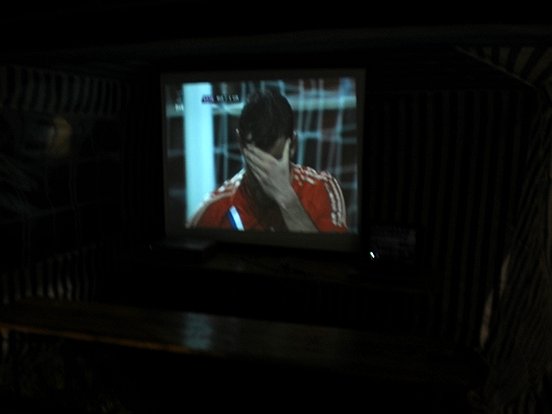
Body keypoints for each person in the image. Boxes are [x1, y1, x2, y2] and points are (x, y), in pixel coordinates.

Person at [187, 88, 347, 233]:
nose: (266, 179)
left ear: (292, 145)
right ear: (240, 143)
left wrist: (286, 198)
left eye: (274, 163)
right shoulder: (212, 212)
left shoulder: (322, 189)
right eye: (257, 164)